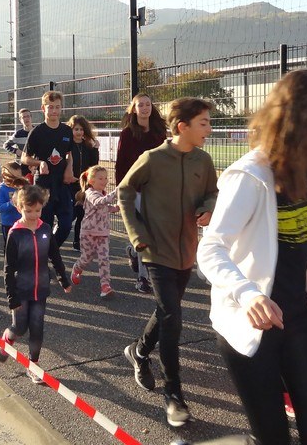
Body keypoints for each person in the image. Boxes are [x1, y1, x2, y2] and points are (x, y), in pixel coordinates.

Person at [195, 70, 307, 444]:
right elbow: (210, 248)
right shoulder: (251, 176)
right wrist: (249, 294)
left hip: (299, 320)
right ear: (299, 115)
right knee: (273, 437)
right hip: (250, 326)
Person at [118, 97, 218, 427]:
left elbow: (213, 192)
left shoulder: (203, 160)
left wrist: (207, 207)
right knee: (173, 318)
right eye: (203, 123)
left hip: (186, 252)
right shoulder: (153, 158)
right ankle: (173, 395)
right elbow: (124, 191)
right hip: (155, 250)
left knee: (166, 311)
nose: (209, 129)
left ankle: (138, 351)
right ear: (182, 127)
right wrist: (136, 234)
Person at [0, 185, 73, 384]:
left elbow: (54, 255)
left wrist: (63, 278)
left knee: (37, 327)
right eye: (28, 210)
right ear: (19, 208)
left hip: (41, 288)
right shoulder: (15, 233)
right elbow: (8, 268)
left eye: (37, 210)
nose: (33, 215)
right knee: (20, 327)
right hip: (21, 290)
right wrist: (11, 297)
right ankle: (7, 339)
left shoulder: (45, 229)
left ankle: (34, 365)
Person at [115, 93, 168, 293]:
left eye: (148, 104)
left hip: (155, 190)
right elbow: (121, 164)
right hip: (134, 190)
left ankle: (132, 251)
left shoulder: (159, 132)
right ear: (134, 109)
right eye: (140, 105)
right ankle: (143, 278)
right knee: (142, 233)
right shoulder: (127, 134)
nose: (145, 108)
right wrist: (121, 192)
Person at [23, 91, 75, 253]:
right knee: (44, 226)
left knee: (66, 225)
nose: (54, 111)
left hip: (62, 184)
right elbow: (25, 158)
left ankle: (50, 251)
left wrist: (69, 168)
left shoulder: (66, 131)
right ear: (43, 108)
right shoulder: (37, 132)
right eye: (50, 107)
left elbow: (69, 154)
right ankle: (43, 255)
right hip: (43, 184)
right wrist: (40, 163)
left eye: (57, 107)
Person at [70, 165, 119, 298]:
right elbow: (99, 203)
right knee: (87, 258)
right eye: (100, 178)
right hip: (89, 232)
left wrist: (115, 208)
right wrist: (116, 192)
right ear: (91, 181)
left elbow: (104, 207)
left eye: (106, 178)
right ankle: (77, 268)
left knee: (104, 259)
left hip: (102, 233)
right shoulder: (91, 193)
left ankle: (105, 286)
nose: (105, 181)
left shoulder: (102, 193)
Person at [67, 114, 100, 251]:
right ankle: (61, 229)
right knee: (71, 214)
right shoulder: (68, 145)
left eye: (81, 129)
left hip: (83, 185)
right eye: (76, 129)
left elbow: (94, 164)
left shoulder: (87, 146)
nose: (79, 132)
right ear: (71, 130)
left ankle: (78, 242)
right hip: (69, 184)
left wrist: (95, 149)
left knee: (82, 214)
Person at [0, 161, 30, 244]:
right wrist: (12, 203)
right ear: (4, 176)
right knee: (10, 245)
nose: (16, 181)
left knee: (24, 245)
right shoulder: (2, 188)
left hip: (23, 222)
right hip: (8, 223)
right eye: (12, 177)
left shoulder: (23, 186)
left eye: (18, 177)